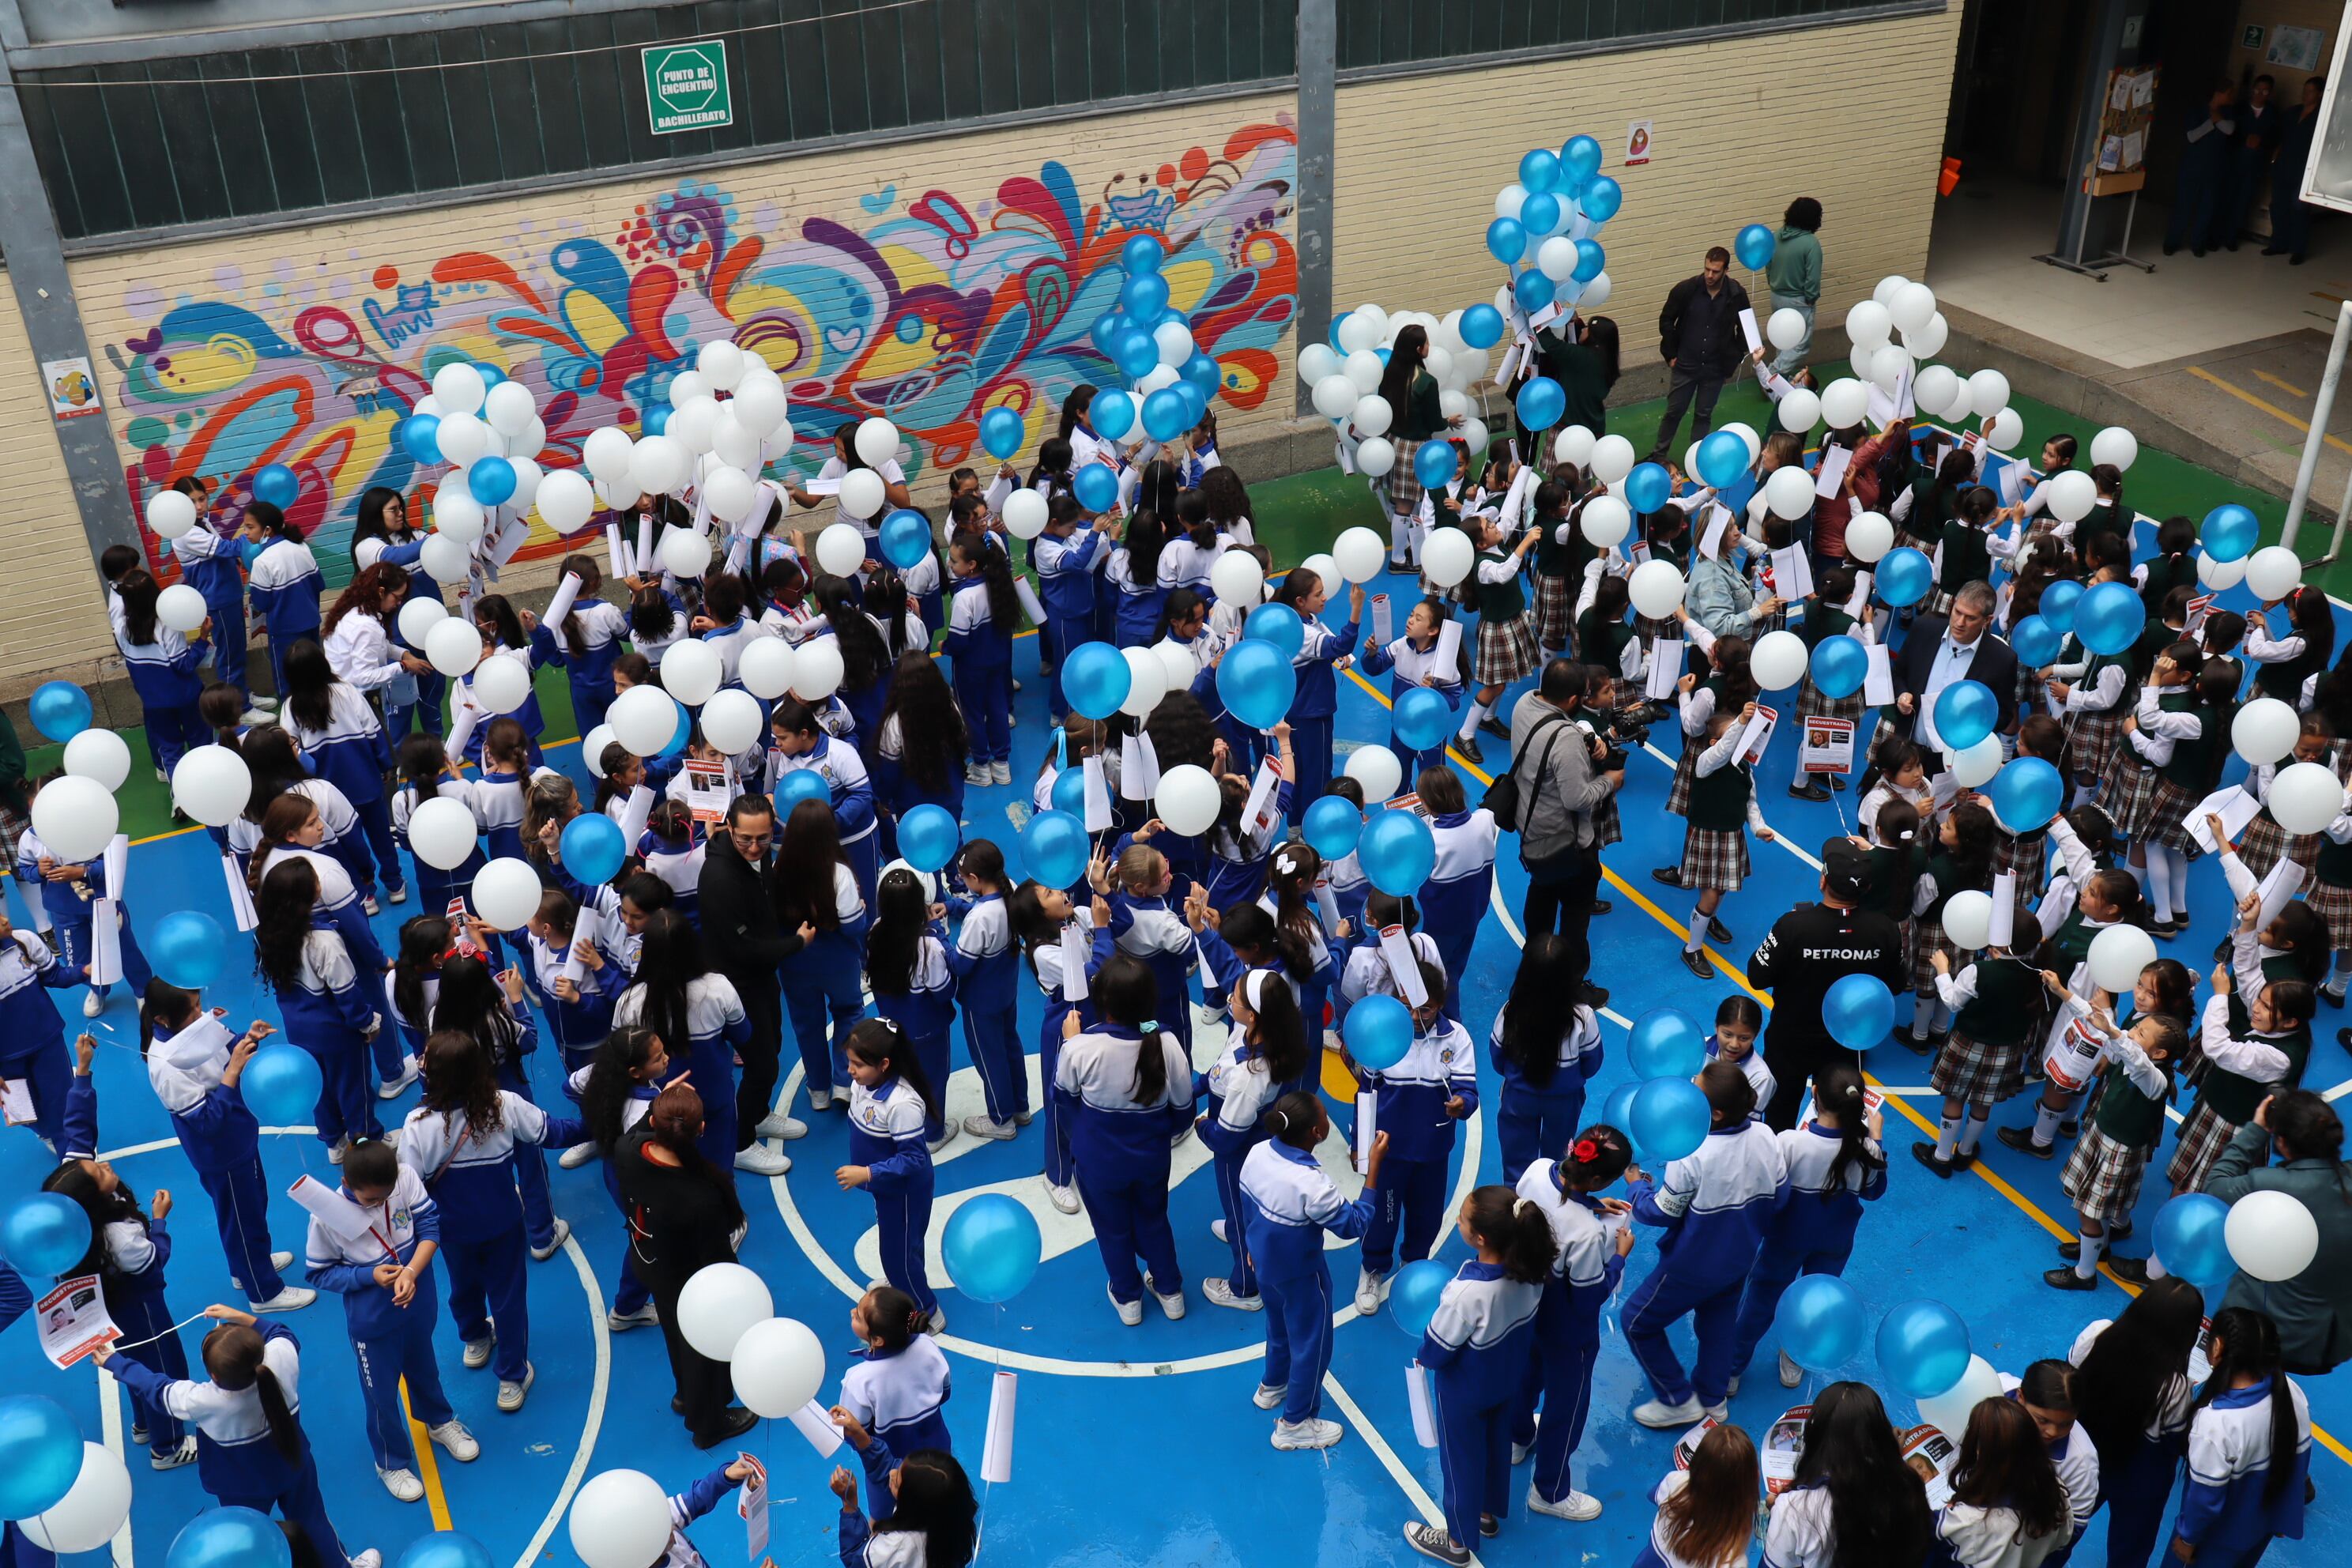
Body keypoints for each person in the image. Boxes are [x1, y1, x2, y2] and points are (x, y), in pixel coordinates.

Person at [95, 1307, 381, 1568]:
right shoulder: (280, 1360)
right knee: (313, 1521)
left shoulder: (204, 1401)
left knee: (242, 1539)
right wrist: (244, 1318)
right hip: (294, 1466)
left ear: (214, 1376)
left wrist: (114, 1361)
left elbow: (156, 1388)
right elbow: (281, 1332)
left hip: (239, 1487)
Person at [394, 1030, 583, 1413]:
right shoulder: (505, 1105)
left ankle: (475, 1339)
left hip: (450, 1230)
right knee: (508, 1297)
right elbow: (555, 1132)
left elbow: (408, 1187)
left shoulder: (418, 1123)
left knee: (463, 1286)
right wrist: (602, 1119)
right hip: (502, 1224)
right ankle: (512, 1376)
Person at [299, 1138, 478, 1502]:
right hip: (372, 1323)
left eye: (386, 1196)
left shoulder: (405, 1177)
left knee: (425, 1367)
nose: (380, 1203)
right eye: (371, 1200)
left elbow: (430, 1225)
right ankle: (390, 1461)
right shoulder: (325, 1217)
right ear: (348, 1185)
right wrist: (369, 1277)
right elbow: (319, 1274)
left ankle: (439, 1421)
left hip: (418, 1302)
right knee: (380, 1393)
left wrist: (411, 1271)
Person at [45, 1042, 198, 1469]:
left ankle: (143, 1424)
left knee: (130, 1362)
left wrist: (83, 1073)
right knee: (162, 1365)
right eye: (100, 1173)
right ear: (93, 1198)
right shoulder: (119, 1238)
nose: (106, 1166)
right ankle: (167, 1447)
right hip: (142, 1309)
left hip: (104, 1311)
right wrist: (160, 1221)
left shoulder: (71, 1208)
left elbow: (78, 1133)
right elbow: (153, 1263)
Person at [1623, 1062, 1788, 1426]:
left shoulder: (1691, 1153)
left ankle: (1676, 1398)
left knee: (1636, 1321)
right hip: (1739, 1259)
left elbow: (1661, 1212)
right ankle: (1713, 1399)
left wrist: (1637, 1187)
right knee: (1718, 1326)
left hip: (1690, 1266)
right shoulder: (1766, 1136)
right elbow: (1781, 1196)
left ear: (1714, 1112)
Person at [1403, 1187, 1555, 1566]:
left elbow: (1438, 1347)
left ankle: (1456, 1542)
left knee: (1460, 1464)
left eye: (1462, 1219)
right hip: (1506, 1380)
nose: (1458, 1221)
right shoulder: (1532, 1271)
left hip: (1465, 1392)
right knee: (1494, 1448)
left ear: (1480, 1238)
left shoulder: (1466, 1293)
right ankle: (1486, 1516)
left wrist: (1423, 1357)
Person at [141, 983, 314, 1312]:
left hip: (239, 1136)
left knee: (253, 1204)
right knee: (241, 1219)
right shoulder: (165, 1066)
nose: (200, 1014)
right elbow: (207, 1121)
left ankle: (248, 1266)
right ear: (163, 1019)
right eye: (192, 1009)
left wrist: (247, 1040)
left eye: (198, 1004)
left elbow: (226, 1043)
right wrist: (234, 1069)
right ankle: (263, 1293)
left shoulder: (192, 1025)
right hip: (221, 1152)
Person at [615, 1082, 760, 1449]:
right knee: (703, 1349)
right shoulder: (701, 1197)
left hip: (649, 1262)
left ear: (652, 1121)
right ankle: (708, 1423)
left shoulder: (627, 1150)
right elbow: (717, 1262)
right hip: (689, 1282)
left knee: (673, 1334)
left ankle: (685, 1396)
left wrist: (669, 1101)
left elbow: (637, 1131)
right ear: (702, 1130)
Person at [1241, 1091, 1386, 1449]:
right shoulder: (1311, 1183)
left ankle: (1272, 1385)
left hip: (1264, 1265)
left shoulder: (1257, 1152)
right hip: (1302, 1275)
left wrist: (1251, 1247)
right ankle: (1295, 1422)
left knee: (1277, 1328)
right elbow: (1353, 1225)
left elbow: (1246, 1206)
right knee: (1311, 1344)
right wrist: (1374, 1170)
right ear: (1318, 1133)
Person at [1056, 952, 1196, 1325]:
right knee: (1154, 1219)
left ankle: (1128, 1298)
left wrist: (1073, 1039)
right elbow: (1183, 1110)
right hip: (1151, 1157)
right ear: (1151, 999)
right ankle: (1171, 1291)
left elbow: (1064, 1100)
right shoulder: (1167, 1044)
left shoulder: (1080, 1047)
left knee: (1111, 1227)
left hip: (1098, 1161)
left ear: (1101, 1001)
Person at [1732, 1062, 1885, 1390]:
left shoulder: (1789, 1142)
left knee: (1760, 1300)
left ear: (1814, 1094)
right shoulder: (1867, 1149)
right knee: (1814, 1303)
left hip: (1785, 1239)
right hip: (1835, 1242)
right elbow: (1874, 1191)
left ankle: (1732, 1369)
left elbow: (1767, 1189)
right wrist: (1877, 1138)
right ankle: (1795, 1361)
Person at [1512, 1125, 1634, 1523]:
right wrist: (1618, 1258)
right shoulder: (1586, 1235)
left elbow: (1547, 1210)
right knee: (1567, 1405)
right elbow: (1589, 1299)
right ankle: (1549, 1490)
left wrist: (1593, 1203)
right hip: (1568, 1330)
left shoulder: (1535, 1170)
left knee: (1527, 1372)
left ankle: (1516, 1438)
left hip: (1527, 1306)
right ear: (1599, 1179)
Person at [1747, 840, 1908, 1130]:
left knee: (1779, 1116)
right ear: (1867, 889)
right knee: (1838, 1119)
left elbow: (1757, 977)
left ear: (1823, 880)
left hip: (1790, 1041)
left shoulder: (1793, 926)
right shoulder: (1884, 930)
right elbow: (1896, 985)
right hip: (1845, 1045)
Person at [1348, 960, 1477, 1313]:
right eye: (1408, 1007)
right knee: (1382, 1216)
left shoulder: (1457, 1038)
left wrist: (1461, 1104)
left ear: (1440, 1003)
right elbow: (1366, 1095)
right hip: (1389, 1152)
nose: (1417, 1016)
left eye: (1427, 1008)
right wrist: (1360, 1144)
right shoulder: (1383, 1035)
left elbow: (1469, 1089)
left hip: (1433, 1152)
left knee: (1427, 1216)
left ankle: (1415, 1267)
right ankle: (1373, 1267)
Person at [695, 794, 808, 1170]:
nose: (756, 846)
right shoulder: (720, 879)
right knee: (760, 1062)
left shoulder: (756, 859)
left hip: (760, 976)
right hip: (738, 983)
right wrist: (796, 943)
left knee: (772, 1047)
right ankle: (742, 1143)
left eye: (763, 838)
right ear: (729, 828)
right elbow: (742, 949)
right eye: (746, 838)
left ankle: (757, 1113)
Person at [2205, 1091, 2352, 1374]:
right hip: (2328, 1344)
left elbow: (2215, 1187)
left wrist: (2256, 1130)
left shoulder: (2268, 1184)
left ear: (2281, 1142)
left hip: (2259, 1336)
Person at [2069, 1274, 2205, 1568]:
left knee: (2061, 1528)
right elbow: (2174, 1440)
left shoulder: (2096, 1334)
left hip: (2082, 1450)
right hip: (2138, 1475)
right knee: (2130, 1549)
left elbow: (2071, 1378)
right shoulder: (2175, 1388)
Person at [1507, 658, 1623, 981]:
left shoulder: (1523, 704)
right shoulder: (1566, 737)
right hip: (1567, 839)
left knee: (1541, 895)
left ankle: (1533, 964)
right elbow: (1577, 798)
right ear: (1574, 701)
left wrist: (1589, 743)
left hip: (1530, 827)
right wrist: (1610, 781)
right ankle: (1572, 983)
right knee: (1575, 915)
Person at [2171, 1307, 2311, 1566]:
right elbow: (2298, 1462)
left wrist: (2188, 1539)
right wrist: (2283, 1515)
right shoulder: (2292, 1393)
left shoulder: (2215, 1424)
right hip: (2260, 1531)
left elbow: (2205, 1500)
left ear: (2217, 1348)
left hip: (2217, 1541)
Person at [834, 1020, 944, 1330]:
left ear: (884, 1064)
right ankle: (901, 1283)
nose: (850, 1071)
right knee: (900, 1246)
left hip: (904, 1191)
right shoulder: (864, 1084)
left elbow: (914, 1159)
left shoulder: (902, 1105)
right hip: (886, 1187)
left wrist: (866, 1172)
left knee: (898, 1254)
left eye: (857, 1064)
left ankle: (926, 1312)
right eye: (849, 1062)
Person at [1765, 1381, 1934, 1568]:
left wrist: (1777, 1515)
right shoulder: (1908, 1485)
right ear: (1880, 1434)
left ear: (1817, 1436)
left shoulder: (1793, 1509)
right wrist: (1890, 1455)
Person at [1489, 934, 1604, 1178]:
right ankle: (1552, 1208)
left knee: (1516, 1167)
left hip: (1518, 1097)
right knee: (1558, 1165)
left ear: (1525, 973)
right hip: (1563, 1101)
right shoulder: (1583, 1017)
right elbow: (1592, 1063)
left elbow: (1497, 1057)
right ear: (1569, 975)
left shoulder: (1511, 1011)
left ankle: (1518, 1209)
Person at [827, 1408, 979, 1568]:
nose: (892, 1472)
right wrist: (861, 1436)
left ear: (912, 1503)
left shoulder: (899, 1548)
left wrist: (849, 1503)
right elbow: (889, 1468)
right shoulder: (952, 1511)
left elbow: (855, 1559)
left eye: (897, 1482)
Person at [1933, 1396, 2073, 1568]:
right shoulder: (2056, 1490)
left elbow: (1917, 1536)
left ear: (1979, 1451)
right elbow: (2062, 1545)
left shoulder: (1969, 1521)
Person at [1648, 246, 1751, 462]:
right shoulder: (1686, 290)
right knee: (1673, 413)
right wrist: (1671, 354)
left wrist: (1734, 357)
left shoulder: (1736, 294)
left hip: (1715, 368)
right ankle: (1659, 456)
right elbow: (1666, 320)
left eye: (1715, 271)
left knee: (1703, 415)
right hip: (1685, 364)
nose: (1710, 276)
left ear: (1726, 270)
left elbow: (1746, 327)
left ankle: (1697, 459)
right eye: (1707, 270)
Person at [1890, 583, 2018, 753]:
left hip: (1956, 759)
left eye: (1970, 618)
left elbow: (2002, 713)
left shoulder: (2002, 659)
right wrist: (1902, 695)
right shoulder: (1924, 629)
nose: (1960, 622)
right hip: (1907, 746)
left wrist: (1970, 730)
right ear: (1953, 604)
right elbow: (1898, 674)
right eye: (1958, 612)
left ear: (1987, 620)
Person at [838, 1283, 952, 1455]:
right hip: (940, 1454)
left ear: (877, 1340)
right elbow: (945, 1392)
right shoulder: (928, 1345)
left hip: (892, 1470)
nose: (852, 1311)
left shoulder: (859, 1380)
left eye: (859, 1317)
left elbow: (853, 1433)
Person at [1635, 1423, 1758, 1568]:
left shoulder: (1675, 1482)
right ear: (1752, 1481)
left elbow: (1652, 1495)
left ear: (1695, 1465)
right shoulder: (1731, 1562)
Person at [2166, 82, 2241, 258]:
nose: (2231, 98)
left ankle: (2198, 243)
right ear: (2219, 93)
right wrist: (2211, 122)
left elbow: (2230, 130)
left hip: (2215, 169)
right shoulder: (2197, 110)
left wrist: (2219, 119)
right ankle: (2172, 242)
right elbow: (2192, 136)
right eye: (2229, 93)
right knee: (2183, 206)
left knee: (2207, 208)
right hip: (2193, 167)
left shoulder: (2229, 112)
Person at [2267, 77, 2324, 264]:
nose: (2305, 94)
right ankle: (2278, 243)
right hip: (2284, 166)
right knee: (2278, 206)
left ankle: (2298, 249)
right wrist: (2275, 158)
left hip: (2304, 170)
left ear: (2319, 94)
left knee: (2299, 208)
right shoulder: (2292, 112)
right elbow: (2279, 137)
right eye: (2304, 90)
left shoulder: (2321, 117)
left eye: (2310, 91)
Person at [1765, 198, 1822, 376]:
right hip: (1799, 300)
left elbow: (1768, 265)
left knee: (1783, 338)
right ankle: (1770, 376)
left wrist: (1774, 284)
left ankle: (1778, 380)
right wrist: (1811, 297)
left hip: (1776, 296)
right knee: (1800, 345)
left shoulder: (1775, 236)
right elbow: (1812, 278)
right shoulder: (1811, 243)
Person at [2224, 74, 2282, 251]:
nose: (2259, 94)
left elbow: (2276, 139)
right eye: (2257, 90)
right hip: (2234, 162)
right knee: (2225, 199)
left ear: (2270, 93)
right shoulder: (2239, 108)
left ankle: (2231, 237)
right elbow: (2228, 134)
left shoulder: (2273, 114)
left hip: (2255, 166)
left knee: (2243, 202)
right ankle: (2214, 236)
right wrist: (2244, 141)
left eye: (2264, 91)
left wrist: (2261, 143)